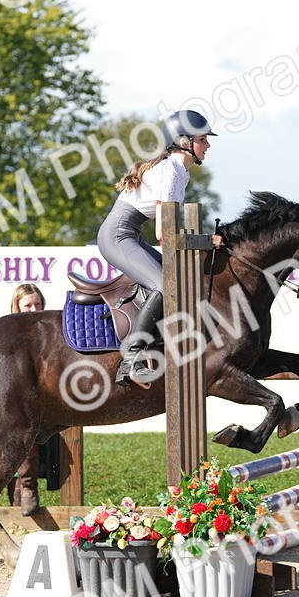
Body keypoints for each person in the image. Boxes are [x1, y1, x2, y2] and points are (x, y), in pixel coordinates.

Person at [96, 109, 218, 388]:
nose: (207, 145)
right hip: (117, 237)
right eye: (202, 139)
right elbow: (165, 236)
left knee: (176, 283)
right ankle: (132, 356)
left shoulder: (180, 172)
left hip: (130, 235)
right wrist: (205, 241)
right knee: (165, 285)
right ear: (184, 141)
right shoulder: (171, 173)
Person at [7, 284, 46, 513]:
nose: (34, 309)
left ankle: (27, 490)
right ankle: (20, 496)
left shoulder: (49, 331)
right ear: (17, 307)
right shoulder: (7, 332)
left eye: (38, 304)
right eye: (28, 305)